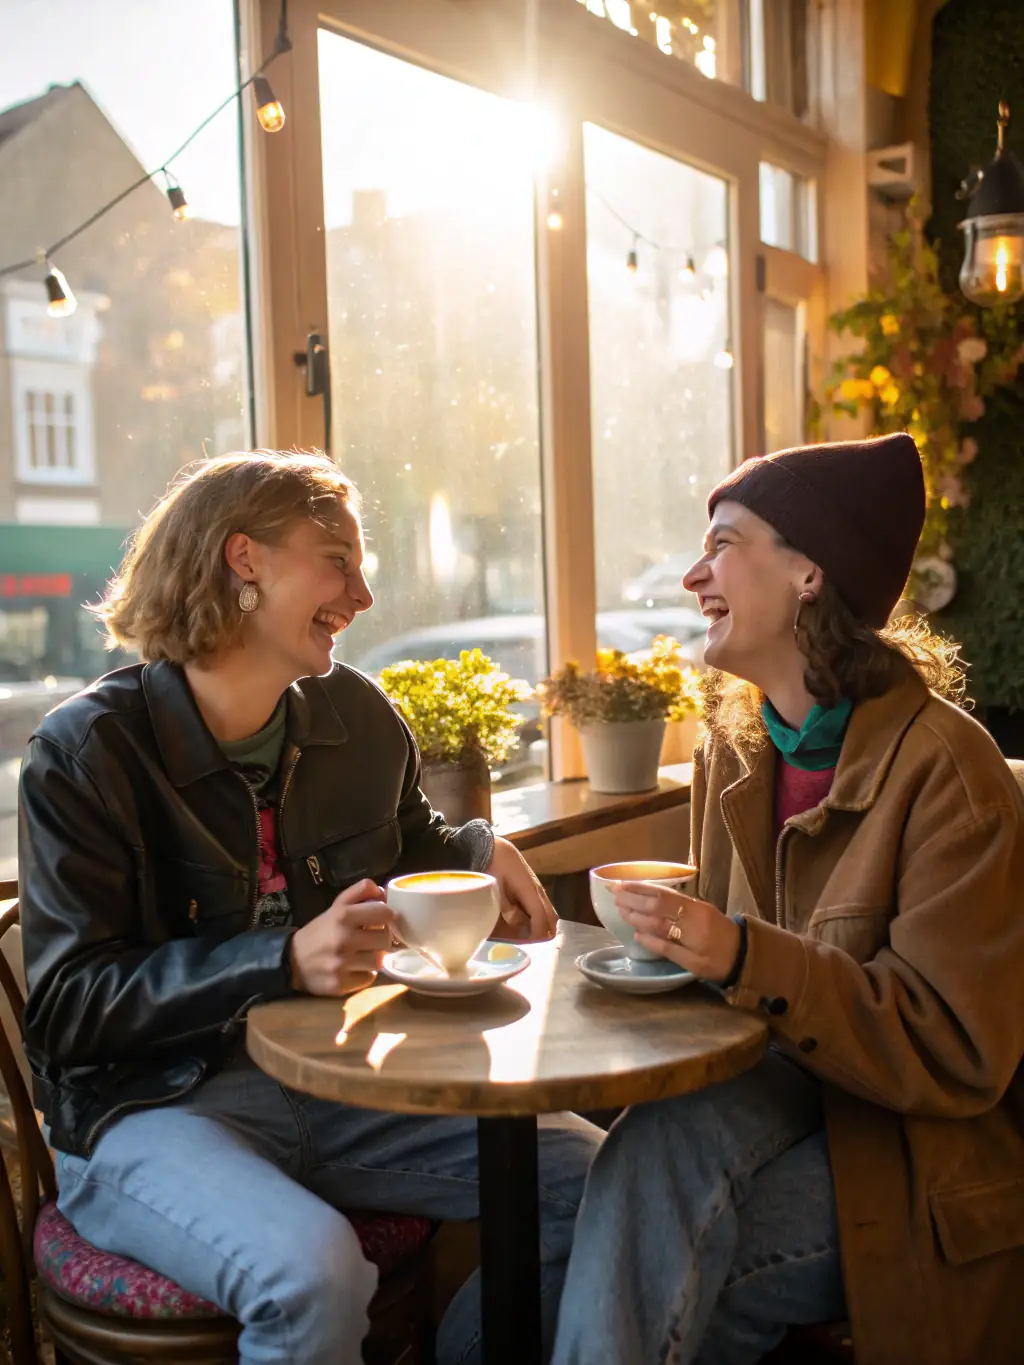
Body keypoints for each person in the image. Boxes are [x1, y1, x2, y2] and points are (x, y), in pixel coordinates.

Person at [18, 450, 601, 1365]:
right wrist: (280, 960)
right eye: (338, 560)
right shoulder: (87, 752)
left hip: (339, 1083)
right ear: (242, 559)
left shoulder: (358, 718)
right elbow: (66, 1007)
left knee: (596, 1181)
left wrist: (483, 852)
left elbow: (415, 847)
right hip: (148, 1112)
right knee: (312, 1273)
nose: (362, 594)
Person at [552, 433, 1024, 1365]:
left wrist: (740, 956)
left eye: (724, 542)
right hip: (758, 1106)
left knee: (625, 1253)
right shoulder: (733, 749)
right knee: (620, 1192)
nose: (694, 573)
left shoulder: (949, 770)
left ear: (811, 571)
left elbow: (959, 1053)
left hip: (915, 1151)